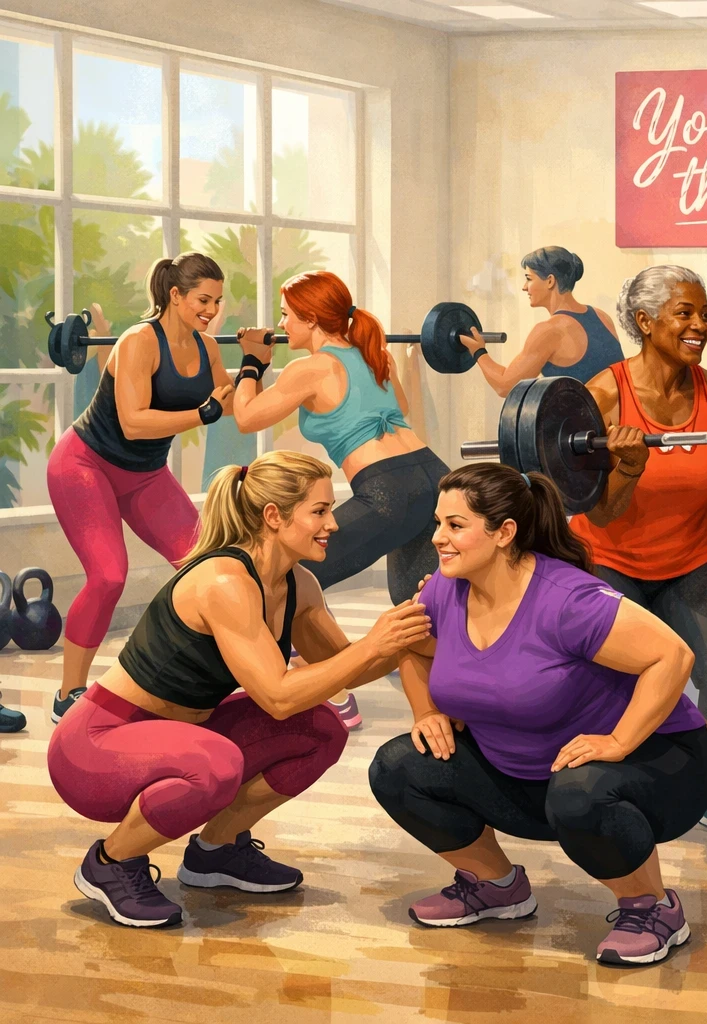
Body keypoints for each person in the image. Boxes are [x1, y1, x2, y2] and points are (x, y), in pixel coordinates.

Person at [46, 451, 431, 928]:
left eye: (331, 509)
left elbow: (344, 669)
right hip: (94, 748)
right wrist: (375, 642)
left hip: (179, 737)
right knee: (216, 764)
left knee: (320, 729)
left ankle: (216, 852)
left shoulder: (298, 585)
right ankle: (109, 863)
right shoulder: (225, 581)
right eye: (319, 511)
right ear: (274, 516)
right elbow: (278, 695)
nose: (332, 523)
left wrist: (417, 629)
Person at [368, 464, 707, 967]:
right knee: (399, 765)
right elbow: (413, 648)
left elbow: (673, 656)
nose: (439, 538)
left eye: (455, 526)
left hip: (657, 768)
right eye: (438, 523)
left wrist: (618, 741)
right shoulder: (445, 588)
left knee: (580, 793)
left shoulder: (568, 601)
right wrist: (425, 711)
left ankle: (652, 907)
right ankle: (495, 887)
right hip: (528, 773)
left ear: (504, 532)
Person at [566, 265, 707, 839]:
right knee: (616, 685)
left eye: (705, 313)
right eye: (685, 314)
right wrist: (628, 464)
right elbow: (600, 513)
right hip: (610, 562)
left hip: (691, 559)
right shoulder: (602, 395)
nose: (701, 325)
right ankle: (628, 788)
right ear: (645, 322)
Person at [232, 271, 449, 731]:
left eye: (287, 315)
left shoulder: (311, 367)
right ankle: (448, 706)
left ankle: (334, 695)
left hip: (387, 489)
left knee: (293, 579)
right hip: (433, 477)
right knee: (418, 604)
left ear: (310, 319)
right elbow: (401, 409)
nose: (282, 324)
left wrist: (252, 361)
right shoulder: (373, 354)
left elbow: (247, 417)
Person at [46, 252, 237, 725]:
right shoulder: (138, 341)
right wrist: (203, 413)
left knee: (209, 565)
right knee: (109, 575)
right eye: (202, 300)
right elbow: (134, 423)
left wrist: (255, 360)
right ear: (175, 295)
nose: (211, 310)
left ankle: (205, 683)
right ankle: (68, 695)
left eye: (216, 301)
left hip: (145, 475)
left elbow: (231, 404)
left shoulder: (208, 348)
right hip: (84, 464)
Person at [459, 246, 624, 394]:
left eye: (529, 279)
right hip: (617, 425)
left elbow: (505, 385)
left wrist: (479, 351)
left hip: (587, 426)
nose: (524, 287)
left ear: (550, 281)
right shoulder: (601, 316)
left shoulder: (550, 330)